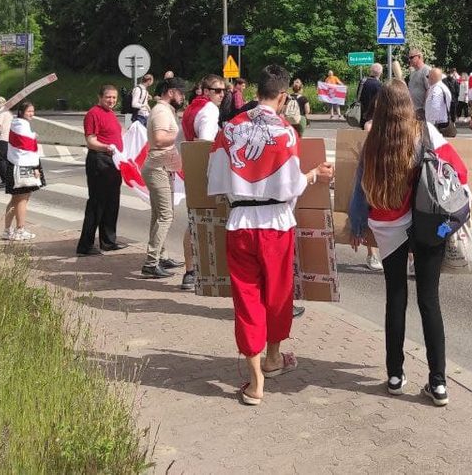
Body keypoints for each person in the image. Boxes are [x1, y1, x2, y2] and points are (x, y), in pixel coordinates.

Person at [206, 65, 333, 406]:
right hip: (276, 222)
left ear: (255, 93)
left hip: (240, 222)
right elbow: (292, 184)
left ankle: (255, 381)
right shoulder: (286, 131)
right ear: (281, 97)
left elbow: (215, 179)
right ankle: (274, 357)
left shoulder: (229, 128)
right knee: (277, 294)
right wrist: (312, 176)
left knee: (246, 299)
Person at [348, 80, 467, 407]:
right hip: (429, 226)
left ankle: (396, 375)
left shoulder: (373, 139)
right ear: (408, 103)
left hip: (388, 226)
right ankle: (438, 383)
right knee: (429, 301)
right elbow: (461, 173)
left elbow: (361, 189)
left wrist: (356, 223)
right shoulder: (425, 132)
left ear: (379, 106)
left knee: (395, 297)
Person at [180, 75, 227, 290]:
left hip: (192, 168)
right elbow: (205, 143)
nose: (222, 94)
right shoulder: (209, 110)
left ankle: (189, 272)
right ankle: (213, 273)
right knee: (215, 222)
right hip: (204, 171)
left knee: (193, 221)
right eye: (217, 90)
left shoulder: (191, 108)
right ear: (205, 91)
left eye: (223, 90)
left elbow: (182, 140)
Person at [143, 78, 188, 278]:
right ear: (171, 92)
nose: (182, 97)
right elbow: (160, 139)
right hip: (157, 167)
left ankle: (161, 256)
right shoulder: (161, 111)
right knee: (165, 216)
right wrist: (180, 136)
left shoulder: (165, 109)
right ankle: (151, 263)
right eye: (180, 93)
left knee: (158, 215)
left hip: (162, 167)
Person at [77, 85, 126, 256]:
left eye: (114, 97)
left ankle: (108, 241)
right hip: (100, 160)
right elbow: (91, 141)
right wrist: (107, 147)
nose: (111, 100)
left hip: (113, 161)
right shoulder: (93, 113)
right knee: (97, 203)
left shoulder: (111, 114)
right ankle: (85, 245)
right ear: (100, 97)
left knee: (112, 202)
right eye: (108, 97)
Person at [2, 101, 45, 240]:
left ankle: (7, 230)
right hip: (23, 166)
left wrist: (32, 135)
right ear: (21, 112)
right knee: (22, 200)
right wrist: (36, 168)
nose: (32, 113)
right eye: (29, 111)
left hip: (16, 165)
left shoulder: (17, 124)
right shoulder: (21, 126)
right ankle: (20, 229)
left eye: (33, 111)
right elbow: (28, 149)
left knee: (15, 199)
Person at [424, 67, 455, 138]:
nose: (428, 79)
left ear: (432, 77)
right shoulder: (441, 87)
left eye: (428, 77)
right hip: (440, 123)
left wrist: (430, 125)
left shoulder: (436, 90)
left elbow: (435, 108)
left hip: (437, 126)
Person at [405, 50, 431, 117]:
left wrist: (424, 108)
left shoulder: (426, 70)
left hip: (421, 110)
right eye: (408, 58)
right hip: (412, 109)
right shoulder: (413, 73)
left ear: (419, 57)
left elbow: (429, 89)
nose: (409, 59)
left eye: (411, 57)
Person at [358, 62, 383, 129]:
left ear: (371, 71)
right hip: (373, 115)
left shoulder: (362, 82)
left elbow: (358, 96)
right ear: (380, 73)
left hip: (362, 113)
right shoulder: (379, 85)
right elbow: (379, 101)